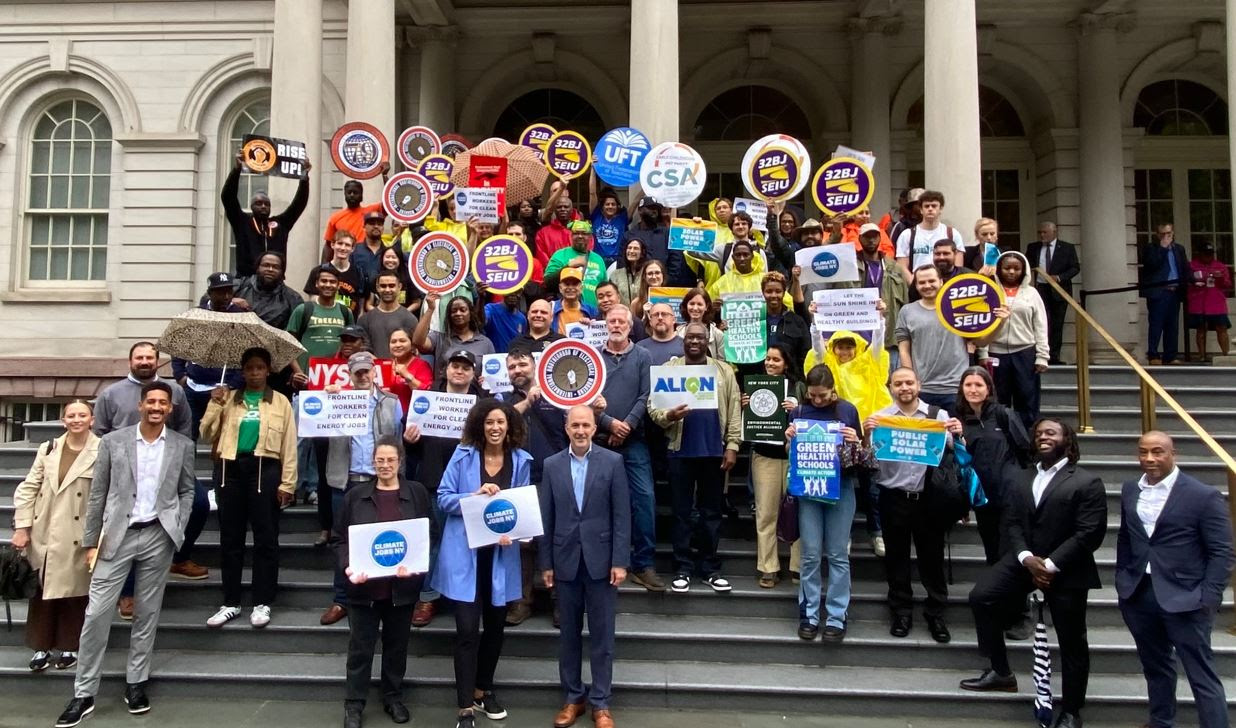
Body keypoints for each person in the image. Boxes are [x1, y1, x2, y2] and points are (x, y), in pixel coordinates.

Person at [55, 381, 196, 728]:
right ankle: (84, 692)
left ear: (171, 408)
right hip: (116, 536)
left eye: (164, 402)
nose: (157, 407)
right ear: (141, 405)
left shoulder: (182, 445)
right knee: (97, 613)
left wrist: (175, 524)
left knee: (147, 614)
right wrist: (91, 540)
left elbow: (188, 489)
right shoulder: (114, 441)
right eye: (151, 401)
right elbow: (98, 491)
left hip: (157, 535)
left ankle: (136, 683)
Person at [962, 418, 1107, 728]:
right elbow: (1011, 522)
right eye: (1039, 433)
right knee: (982, 596)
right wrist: (1027, 558)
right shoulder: (1020, 477)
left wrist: (1051, 565)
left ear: (1067, 439)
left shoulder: (1086, 481)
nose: (1043, 436)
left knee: (1072, 641)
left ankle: (1071, 711)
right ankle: (1001, 672)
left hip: (1066, 569)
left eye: (1050, 432)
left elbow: (1089, 533)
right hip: (1024, 562)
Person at [1117, 431, 1234, 728]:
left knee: (1201, 674)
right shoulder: (1131, 490)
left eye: (1158, 452)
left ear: (1173, 454)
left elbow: (1222, 551)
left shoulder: (1202, 495)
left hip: (1187, 598)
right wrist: (1123, 578)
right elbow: (1126, 539)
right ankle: (1161, 722)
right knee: (1155, 667)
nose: (1149, 459)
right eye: (1143, 452)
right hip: (1140, 593)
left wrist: (1209, 597)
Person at [434, 400, 533, 728]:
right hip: (466, 556)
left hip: (500, 557)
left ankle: (483, 689)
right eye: (489, 422)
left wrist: (518, 533)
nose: (495, 428)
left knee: (495, 628)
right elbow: (443, 497)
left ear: (509, 427)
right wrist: (473, 497)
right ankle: (464, 706)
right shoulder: (463, 455)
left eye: (501, 422)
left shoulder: (520, 461)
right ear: (480, 425)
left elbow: (520, 507)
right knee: (466, 630)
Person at [93, 342, 203, 615]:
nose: (144, 361)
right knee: (132, 519)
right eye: (139, 357)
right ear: (130, 361)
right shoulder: (112, 394)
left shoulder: (176, 391)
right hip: (124, 471)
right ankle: (128, 593)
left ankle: (178, 555)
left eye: (149, 357)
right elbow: (99, 433)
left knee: (199, 502)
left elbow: (185, 429)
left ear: (158, 361)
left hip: (166, 463)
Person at [540, 406, 630, 728]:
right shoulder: (551, 465)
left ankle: (601, 702)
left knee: (603, 636)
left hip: (602, 562)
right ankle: (573, 697)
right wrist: (546, 562)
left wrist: (620, 560)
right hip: (564, 562)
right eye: (575, 425)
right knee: (568, 636)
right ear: (566, 428)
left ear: (595, 428)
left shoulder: (613, 462)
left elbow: (622, 515)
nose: (580, 430)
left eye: (586, 425)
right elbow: (546, 518)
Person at [335, 438, 430, 728]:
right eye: (380, 460)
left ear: (400, 461)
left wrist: (415, 566)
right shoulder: (356, 496)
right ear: (372, 462)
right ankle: (354, 704)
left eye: (390, 460)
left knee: (396, 646)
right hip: (363, 589)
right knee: (360, 648)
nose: (385, 465)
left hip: (401, 588)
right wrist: (349, 567)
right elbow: (341, 539)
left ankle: (392, 697)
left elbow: (428, 534)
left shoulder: (416, 493)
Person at [199, 347, 297, 629]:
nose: (254, 373)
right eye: (249, 368)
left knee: (266, 538)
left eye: (260, 368)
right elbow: (205, 434)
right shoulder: (228, 399)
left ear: (268, 371)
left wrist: (287, 482)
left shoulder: (280, 402)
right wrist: (214, 404)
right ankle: (230, 602)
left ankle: (262, 601)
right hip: (230, 470)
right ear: (242, 372)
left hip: (265, 470)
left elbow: (289, 445)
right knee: (231, 539)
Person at [865, 367, 957, 643]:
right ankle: (901, 612)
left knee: (932, 559)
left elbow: (951, 447)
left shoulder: (937, 415)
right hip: (893, 497)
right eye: (898, 384)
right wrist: (867, 434)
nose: (904, 387)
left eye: (909, 382)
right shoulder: (881, 418)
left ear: (919, 384)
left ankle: (936, 614)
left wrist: (955, 431)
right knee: (896, 559)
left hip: (929, 498)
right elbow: (870, 458)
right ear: (890, 387)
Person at [649, 322, 742, 594]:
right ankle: (683, 568)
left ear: (708, 341)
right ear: (682, 340)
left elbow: (734, 409)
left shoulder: (724, 371)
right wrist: (669, 416)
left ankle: (710, 568)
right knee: (681, 513)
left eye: (700, 337)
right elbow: (654, 408)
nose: (694, 341)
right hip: (680, 452)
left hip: (714, 451)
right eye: (689, 337)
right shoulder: (669, 370)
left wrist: (733, 445)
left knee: (711, 513)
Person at [319, 352, 407, 626]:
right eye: (357, 372)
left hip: (380, 481)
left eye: (366, 371)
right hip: (345, 481)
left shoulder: (391, 402)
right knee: (343, 542)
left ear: (374, 372)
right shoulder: (336, 399)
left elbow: (402, 438)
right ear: (349, 374)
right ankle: (341, 598)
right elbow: (310, 424)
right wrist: (324, 399)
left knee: (382, 538)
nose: (362, 376)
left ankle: (382, 595)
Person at [13, 401, 99, 672]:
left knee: (75, 595)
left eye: (82, 415)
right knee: (42, 592)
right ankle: (41, 647)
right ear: (63, 420)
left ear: (92, 419)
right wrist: (22, 527)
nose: (76, 420)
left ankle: (70, 646)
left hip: (78, 532)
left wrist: (96, 540)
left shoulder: (103, 450)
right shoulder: (48, 449)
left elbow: (106, 496)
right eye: (71, 415)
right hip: (45, 530)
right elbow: (29, 487)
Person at [404, 349, 483, 629]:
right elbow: (409, 441)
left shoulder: (482, 404)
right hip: (433, 482)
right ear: (446, 370)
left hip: (473, 486)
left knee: (472, 541)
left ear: (473, 373)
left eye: (465, 367)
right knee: (434, 541)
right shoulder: (426, 398)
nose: (459, 371)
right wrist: (409, 438)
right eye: (455, 366)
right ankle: (427, 596)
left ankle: (469, 596)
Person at [786, 365, 863, 642]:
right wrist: (789, 439)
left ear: (833, 390)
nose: (817, 400)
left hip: (840, 487)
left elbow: (860, 455)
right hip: (808, 488)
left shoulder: (847, 410)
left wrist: (856, 439)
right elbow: (791, 454)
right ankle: (809, 613)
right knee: (810, 554)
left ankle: (836, 615)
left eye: (823, 395)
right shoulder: (798, 412)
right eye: (813, 395)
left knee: (838, 554)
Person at [595, 304, 661, 592]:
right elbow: (585, 395)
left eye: (623, 320)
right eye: (612, 320)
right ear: (605, 324)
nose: (617, 325)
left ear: (630, 325)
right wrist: (610, 424)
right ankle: (601, 562)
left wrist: (627, 426)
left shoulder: (643, 356)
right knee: (597, 503)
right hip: (600, 440)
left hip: (634, 441)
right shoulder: (593, 357)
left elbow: (647, 394)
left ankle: (643, 564)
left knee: (644, 499)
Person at [501, 347, 569, 626]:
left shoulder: (557, 392)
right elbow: (502, 422)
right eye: (512, 367)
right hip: (518, 480)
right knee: (521, 544)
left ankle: (560, 602)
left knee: (555, 540)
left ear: (534, 365)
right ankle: (521, 601)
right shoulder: (503, 401)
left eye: (522, 364)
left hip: (553, 477)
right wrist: (528, 401)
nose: (518, 370)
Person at [952, 367, 1032, 567]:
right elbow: (961, 463)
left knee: (1012, 547)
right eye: (968, 385)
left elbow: (1025, 450)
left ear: (988, 388)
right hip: (982, 497)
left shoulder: (1004, 414)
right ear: (962, 389)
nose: (973, 389)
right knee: (991, 548)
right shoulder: (959, 422)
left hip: (1010, 494)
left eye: (978, 385)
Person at [742, 343, 802, 589]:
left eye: (776, 360)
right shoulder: (753, 386)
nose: (770, 363)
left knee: (797, 513)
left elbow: (811, 417)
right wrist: (745, 406)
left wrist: (797, 410)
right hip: (764, 457)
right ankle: (768, 568)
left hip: (793, 458)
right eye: (767, 359)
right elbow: (747, 427)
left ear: (786, 362)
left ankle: (799, 566)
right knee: (766, 514)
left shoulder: (799, 387)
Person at [173, 271, 246, 438]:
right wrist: (180, 375)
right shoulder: (195, 315)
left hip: (223, 389)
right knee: (187, 437)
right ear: (210, 293)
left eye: (229, 291)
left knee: (221, 441)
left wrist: (232, 384)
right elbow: (179, 346)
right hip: (192, 386)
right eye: (221, 292)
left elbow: (246, 356)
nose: (226, 296)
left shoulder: (241, 317)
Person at [982, 251, 1049, 427]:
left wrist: (1043, 355)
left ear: (1024, 270)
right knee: (998, 399)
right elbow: (982, 323)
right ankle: (1000, 438)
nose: (1011, 272)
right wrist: (983, 353)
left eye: (1016, 268)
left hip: (1025, 352)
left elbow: (1040, 325)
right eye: (1007, 268)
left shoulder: (1032, 293)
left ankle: (1027, 440)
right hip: (996, 352)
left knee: (1027, 399)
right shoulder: (989, 292)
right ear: (999, 269)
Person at [221, 147, 310, 276]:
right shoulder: (242, 222)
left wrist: (305, 176)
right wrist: (236, 170)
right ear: (251, 207)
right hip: (247, 281)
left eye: (267, 204)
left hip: (275, 282)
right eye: (258, 203)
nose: (263, 206)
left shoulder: (280, 224)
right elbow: (228, 197)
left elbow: (299, 204)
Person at [895, 266, 971, 413]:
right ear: (915, 285)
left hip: (955, 387)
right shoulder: (907, 311)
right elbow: (904, 350)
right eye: (922, 282)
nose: (927, 286)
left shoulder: (959, 307)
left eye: (932, 281)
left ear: (941, 282)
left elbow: (980, 342)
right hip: (923, 388)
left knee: (956, 433)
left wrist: (1000, 322)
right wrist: (911, 382)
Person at [287, 265, 356, 389]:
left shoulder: (346, 312)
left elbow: (352, 345)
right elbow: (288, 344)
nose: (328, 285)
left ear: (338, 285)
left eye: (332, 282)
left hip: (338, 380)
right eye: (324, 281)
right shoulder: (303, 309)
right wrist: (298, 372)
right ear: (316, 284)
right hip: (307, 380)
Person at [1025, 222, 1080, 365]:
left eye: (1045, 232)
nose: (1042, 235)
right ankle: (1039, 354)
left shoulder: (1067, 248)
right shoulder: (1033, 247)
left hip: (1059, 290)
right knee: (1041, 322)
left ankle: (1054, 356)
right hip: (1040, 289)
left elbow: (1075, 268)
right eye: (1040, 232)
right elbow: (1026, 264)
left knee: (1057, 323)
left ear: (1054, 232)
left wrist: (1060, 277)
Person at [412, 293, 495, 381]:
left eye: (463, 310)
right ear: (449, 316)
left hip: (474, 393)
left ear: (470, 314)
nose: (458, 313)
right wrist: (430, 309)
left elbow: (493, 372)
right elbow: (417, 342)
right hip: (444, 393)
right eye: (454, 311)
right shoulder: (439, 338)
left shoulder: (485, 343)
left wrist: (488, 380)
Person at [1142, 222, 1191, 365]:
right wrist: (1163, 248)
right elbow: (1152, 264)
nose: (1166, 237)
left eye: (1169, 234)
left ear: (1173, 233)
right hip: (1159, 291)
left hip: (1175, 291)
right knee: (1156, 324)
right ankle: (1153, 355)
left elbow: (1185, 267)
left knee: (1172, 325)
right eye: (1163, 234)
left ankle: (1170, 355)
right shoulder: (1151, 248)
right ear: (1157, 235)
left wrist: (1194, 280)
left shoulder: (1178, 249)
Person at [893, 190, 964, 283]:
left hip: (946, 286)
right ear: (921, 209)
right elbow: (901, 265)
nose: (930, 209)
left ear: (941, 208)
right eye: (926, 206)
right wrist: (914, 285)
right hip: (918, 286)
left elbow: (958, 266)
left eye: (934, 206)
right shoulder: (907, 235)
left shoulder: (952, 234)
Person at [230, 251, 305, 331]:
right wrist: (230, 302)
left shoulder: (292, 298)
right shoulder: (240, 286)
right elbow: (216, 301)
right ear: (257, 268)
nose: (270, 269)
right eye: (266, 265)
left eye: (276, 267)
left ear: (282, 272)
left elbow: (298, 329)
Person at [357, 270, 419, 359]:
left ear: (399, 287)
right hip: (372, 370)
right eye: (383, 286)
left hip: (400, 371)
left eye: (391, 286)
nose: (387, 290)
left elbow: (414, 351)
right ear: (377, 288)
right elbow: (362, 349)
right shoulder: (364, 319)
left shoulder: (410, 319)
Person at [1187, 240, 1233, 360]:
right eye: (1205, 253)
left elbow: (1228, 284)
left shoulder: (1220, 266)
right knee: (1201, 329)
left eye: (1210, 254)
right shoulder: (1192, 265)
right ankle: (1202, 356)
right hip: (1199, 302)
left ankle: (1226, 355)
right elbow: (1187, 282)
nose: (1208, 256)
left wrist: (1221, 278)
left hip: (1216, 303)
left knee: (1221, 328)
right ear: (1200, 254)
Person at [306, 230, 368, 316]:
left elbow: (361, 306)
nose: (343, 248)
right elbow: (312, 300)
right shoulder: (318, 271)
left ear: (352, 249)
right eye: (340, 243)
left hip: (349, 325)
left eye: (347, 245)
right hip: (324, 320)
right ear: (332, 245)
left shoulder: (359, 274)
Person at [546, 221, 607, 307]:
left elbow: (604, 287)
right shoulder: (560, 255)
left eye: (584, 233)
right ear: (571, 235)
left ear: (590, 237)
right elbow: (548, 282)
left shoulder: (598, 259)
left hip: (593, 312)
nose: (580, 236)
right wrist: (568, 266)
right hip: (566, 310)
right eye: (576, 233)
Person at [323, 178, 386, 256]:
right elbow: (328, 245)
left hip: (367, 257)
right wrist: (324, 267)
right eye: (349, 192)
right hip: (345, 260)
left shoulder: (372, 211)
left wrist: (385, 176)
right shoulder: (335, 218)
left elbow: (389, 203)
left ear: (361, 195)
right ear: (345, 195)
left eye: (355, 193)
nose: (352, 195)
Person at [760, 271, 809, 368]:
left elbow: (805, 353)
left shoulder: (797, 321)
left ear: (784, 292)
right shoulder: (754, 320)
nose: (774, 295)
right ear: (763, 292)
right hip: (759, 378)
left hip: (790, 378)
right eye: (769, 291)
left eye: (778, 291)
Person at [364, 244, 422, 314]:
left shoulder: (409, 277)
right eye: (387, 257)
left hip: (403, 318)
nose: (390, 260)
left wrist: (401, 314)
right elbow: (368, 305)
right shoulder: (375, 278)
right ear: (382, 259)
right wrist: (380, 314)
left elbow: (417, 303)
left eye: (394, 257)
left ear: (399, 259)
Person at [589, 174, 629, 266]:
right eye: (607, 204)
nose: (610, 206)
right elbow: (592, 193)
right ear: (602, 207)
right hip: (598, 259)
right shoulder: (596, 216)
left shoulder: (622, 218)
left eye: (613, 204)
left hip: (617, 260)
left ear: (617, 206)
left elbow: (635, 201)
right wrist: (593, 169)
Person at [675, 288, 725, 358]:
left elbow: (721, 364)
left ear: (706, 307)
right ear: (686, 305)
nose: (695, 308)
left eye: (699, 304)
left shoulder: (718, 335)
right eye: (692, 304)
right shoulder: (677, 334)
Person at [534, 189, 578, 269]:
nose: (562, 209)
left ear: (572, 210)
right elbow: (542, 256)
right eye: (559, 207)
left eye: (566, 207)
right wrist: (555, 269)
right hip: (553, 273)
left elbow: (586, 252)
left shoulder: (581, 231)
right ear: (554, 210)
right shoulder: (543, 233)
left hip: (578, 272)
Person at [550, 268, 600, 334]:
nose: (570, 287)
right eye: (567, 284)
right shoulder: (551, 308)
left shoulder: (592, 311)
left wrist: (591, 326)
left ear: (581, 288)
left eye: (575, 284)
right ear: (560, 288)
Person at [351, 209, 388, 281]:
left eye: (380, 224)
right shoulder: (354, 250)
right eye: (372, 223)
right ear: (364, 227)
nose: (376, 226)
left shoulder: (388, 252)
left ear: (383, 228)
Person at [608, 238, 647, 304]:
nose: (631, 251)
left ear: (642, 253)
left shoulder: (647, 273)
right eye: (629, 248)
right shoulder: (616, 274)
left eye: (636, 248)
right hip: (621, 313)